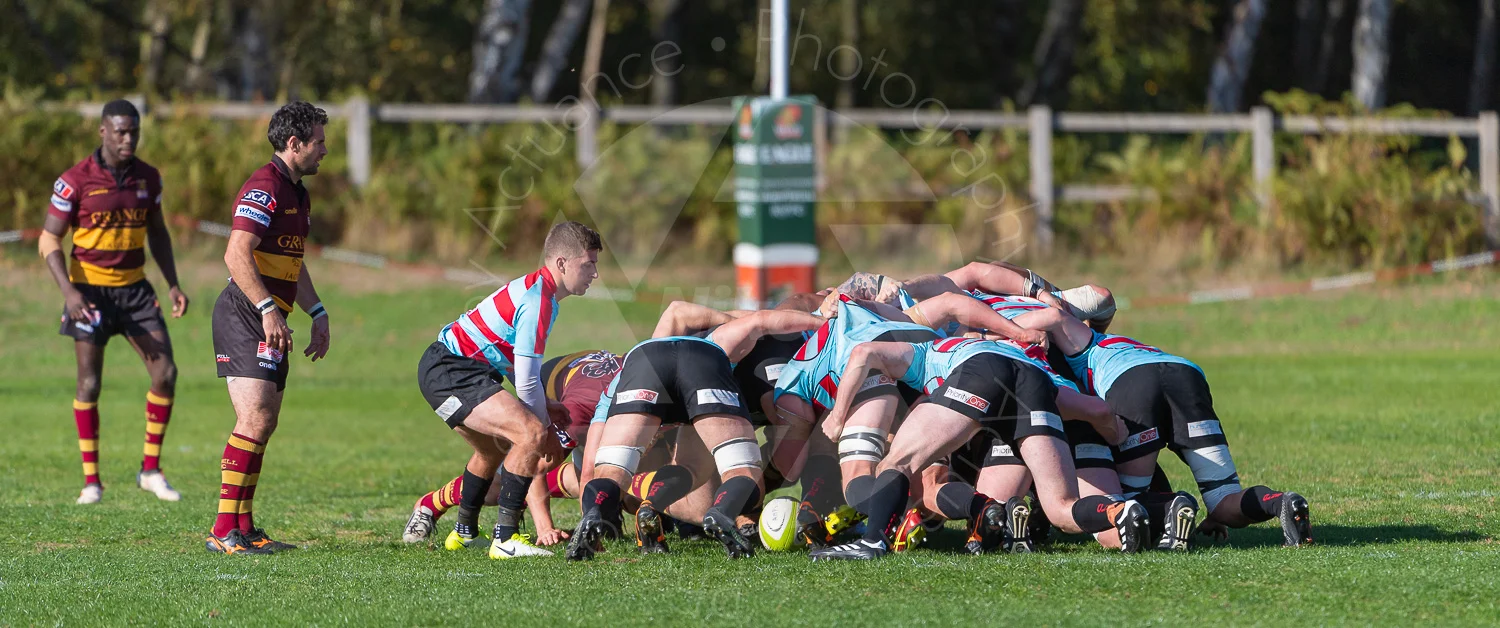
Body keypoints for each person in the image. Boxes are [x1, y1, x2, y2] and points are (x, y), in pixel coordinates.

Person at [808, 337, 1150, 560]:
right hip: (1037, 382)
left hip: (983, 370)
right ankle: (1118, 512)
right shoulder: (1024, 355)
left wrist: (838, 417)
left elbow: (863, 352)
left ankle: (871, 543)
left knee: (897, 463)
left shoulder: (928, 352)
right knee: (1061, 507)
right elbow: (1089, 408)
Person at [565, 309, 825, 561]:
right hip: (702, 363)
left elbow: (589, 471)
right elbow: (761, 320)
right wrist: (820, 321)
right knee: (743, 472)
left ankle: (597, 513)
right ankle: (722, 512)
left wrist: (592, 513)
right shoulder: (712, 340)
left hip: (642, 365)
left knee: (615, 471)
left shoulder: (616, 384)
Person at [417, 222, 601, 560]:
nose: (595, 273)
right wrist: (542, 427)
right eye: (588, 264)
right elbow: (529, 380)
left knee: (492, 450)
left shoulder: (540, 292)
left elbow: (515, 366)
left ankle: (464, 533)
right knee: (529, 433)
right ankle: (506, 539)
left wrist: (545, 404)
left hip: (447, 368)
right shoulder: (539, 300)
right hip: (452, 371)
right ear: (562, 263)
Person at [39, 100, 189, 505]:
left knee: (166, 373)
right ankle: (92, 482)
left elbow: (158, 233)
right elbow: (48, 239)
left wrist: (173, 283)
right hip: (89, 294)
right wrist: (69, 292)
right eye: (120, 131)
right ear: (103, 131)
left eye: (134, 131)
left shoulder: (149, 179)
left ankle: (150, 471)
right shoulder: (74, 181)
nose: (128, 139)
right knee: (89, 383)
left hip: (136, 291)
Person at [205, 102, 331, 555]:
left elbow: (291, 265)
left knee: (265, 423)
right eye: (318, 142)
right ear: (293, 144)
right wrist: (266, 308)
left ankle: (244, 526)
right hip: (244, 313)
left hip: (267, 316)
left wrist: (317, 312)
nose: (324, 150)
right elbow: (236, 253)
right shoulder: (265, 185)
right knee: (254, 419)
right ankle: (222, 531)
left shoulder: (298, 192)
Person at [401, 349, 621, 546]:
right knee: (506, 481)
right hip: (554, 389)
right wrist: (545, 529)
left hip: (583, 382)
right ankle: (431, 503)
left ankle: (607, 521)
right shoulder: (577, 414)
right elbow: (534, 469)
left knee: (616, 483)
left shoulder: (647, 398)